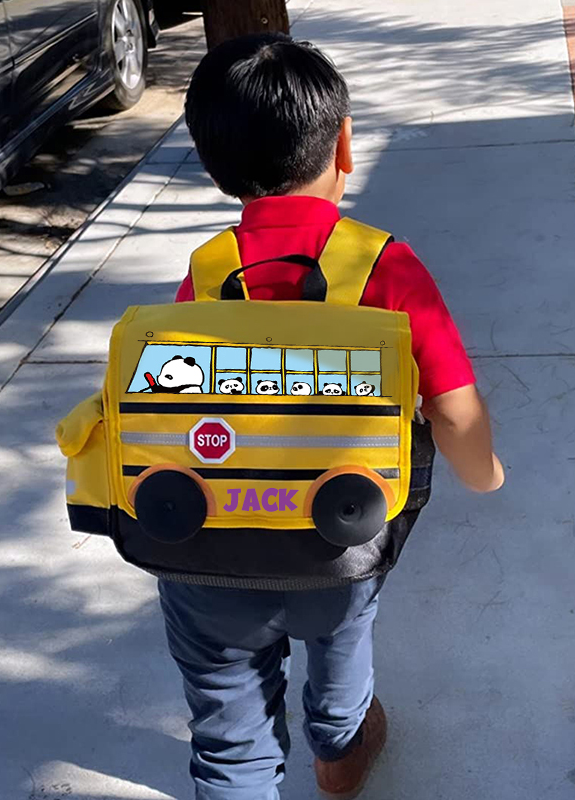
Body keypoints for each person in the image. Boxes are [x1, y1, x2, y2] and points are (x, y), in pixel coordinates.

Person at [158, 32, 505, 800]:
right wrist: (484, 475)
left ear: (217, 169)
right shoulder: (386, 266)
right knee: (342, 638)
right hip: (336, 542)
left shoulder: (209, 271)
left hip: (206, 543)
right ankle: (340, 755)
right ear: (344, 145)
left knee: (228, 734)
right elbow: (450, 408)